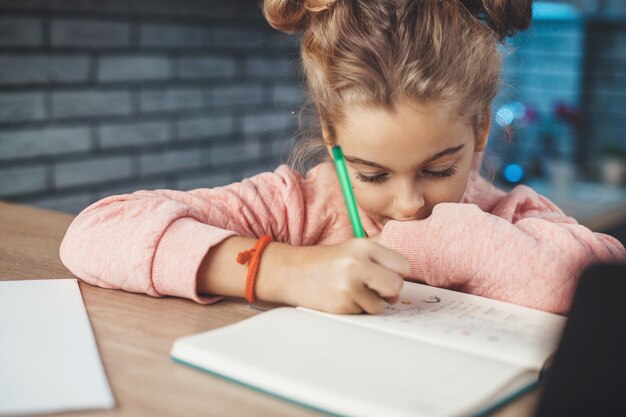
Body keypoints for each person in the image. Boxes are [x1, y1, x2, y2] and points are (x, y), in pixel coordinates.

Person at [60, 0, 625, 315]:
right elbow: (95, 233)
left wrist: (463, 241)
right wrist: (283, 270)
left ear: (480, 131)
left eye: (437, 169)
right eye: (372, 174)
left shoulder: (511, 216)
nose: (408, 204)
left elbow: (603, 281)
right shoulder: (297, 207)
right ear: (331, 135)